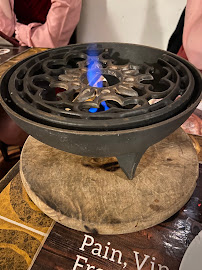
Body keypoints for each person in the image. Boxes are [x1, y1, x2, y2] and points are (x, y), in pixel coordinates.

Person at [0, 0, 82, 48]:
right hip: (13, 55)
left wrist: (18, 31)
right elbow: (5, 31)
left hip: (52, 61)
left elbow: (51, 40)